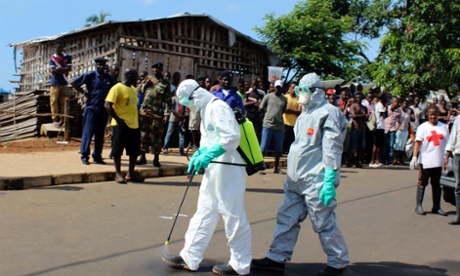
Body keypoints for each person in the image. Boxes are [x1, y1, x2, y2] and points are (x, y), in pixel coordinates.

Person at [251, 73, 349, 276]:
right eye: (298, 91)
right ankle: (277, 257)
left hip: (317, 179)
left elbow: (332, 148)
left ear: (315, 92)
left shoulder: (328, 113)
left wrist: (329, 179)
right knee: (286, 218)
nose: (300, 94)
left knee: (323, 221)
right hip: (296, 179)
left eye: (303, 91)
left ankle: (338, 262)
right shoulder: (304, 113)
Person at [162, 79, 252, 276]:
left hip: (228, 167)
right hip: (215, 167)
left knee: (232, 214)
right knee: (205, 209)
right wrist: (200, 154)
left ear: (195, 95)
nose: (187, 106)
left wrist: (209, 155)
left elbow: (231, 137)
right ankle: (190, 256)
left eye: (187, 102)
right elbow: (209, 140)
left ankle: (240, 263)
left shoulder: (218, 107)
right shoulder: (205, 110)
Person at [71, 57, 116, 165]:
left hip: (103, 110)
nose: (102, 66)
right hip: (91, 109)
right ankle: (84, 155)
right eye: (100, 65)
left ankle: (97, 156)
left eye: (104, 65)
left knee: (100, 134)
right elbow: (74, 83)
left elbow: (116, 85)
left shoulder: (108, 78)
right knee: (88, 132)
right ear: (96, 65)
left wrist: (110, 71)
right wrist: (84, 93)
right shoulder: (90, 75)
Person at [104, 68, 144, 184]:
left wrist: (138, 122)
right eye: (136, 76)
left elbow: (133, 107)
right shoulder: (117, 88)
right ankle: (118, 174)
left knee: (134, 151)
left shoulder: (133, 89)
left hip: (134, 125)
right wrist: (118, 119)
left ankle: (130, 174)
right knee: (117, 150)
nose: (138, 78)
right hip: (120, 125)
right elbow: (107, 105)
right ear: (129, 76)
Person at [410, 104, 448, 216]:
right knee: (422, 182)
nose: (433, 116)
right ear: (427, 115)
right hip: (426, 160)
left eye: (435, 114)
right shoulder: (423, 127)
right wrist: (415, 157)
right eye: (431, 114)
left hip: (438, 160)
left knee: (437, 184)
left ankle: (436, 206)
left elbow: (447, 143)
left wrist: (446, 157)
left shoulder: (443, 127)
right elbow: (418, 142)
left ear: (438, 115)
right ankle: (418, 206)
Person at [137, 61, 172, 167]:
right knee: (143, 135)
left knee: (156, 136)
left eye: (158, 69)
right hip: (144, 112)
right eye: (154, 69)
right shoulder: (148, 78)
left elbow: (168, 100)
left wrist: (166, 114)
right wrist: (145, 85)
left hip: (157, 113)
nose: (155, 70)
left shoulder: (165, 83)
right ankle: (142, 156)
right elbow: (139, 90)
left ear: (161, 70)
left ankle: (156, 158)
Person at [259, 80, 287, 174]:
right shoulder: (268, 96)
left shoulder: (284, 99)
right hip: (267, 125)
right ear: (274, 87)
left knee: (278, 149)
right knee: (263, 148)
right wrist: (265, 118)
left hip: (279, 127)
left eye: (279, 87)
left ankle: (276, 168)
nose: (278, 89)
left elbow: (283, 110)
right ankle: (261, 167)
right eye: (276, 87)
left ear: (282, 88)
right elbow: (261, 108)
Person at [48, 41, 72, 128]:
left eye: (61, 47)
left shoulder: (67, 57)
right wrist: (63, 69)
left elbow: (69, 69)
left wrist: (58, 69)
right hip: (54, 82)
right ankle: (55, 119)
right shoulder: (52, 58)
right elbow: (52, 71)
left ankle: (63, 119)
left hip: (64, 82)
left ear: (63, 48)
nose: (59, 49)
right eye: (58, 47)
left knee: (64, 101)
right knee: (53, 101)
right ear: (55, 48)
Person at [444, 112, 460, 225]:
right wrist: (447, 155)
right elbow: (452, 137)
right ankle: (459, 216)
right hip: (458, 156)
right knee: (458, 187)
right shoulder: (459, 119)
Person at [348, 92, 368, 168]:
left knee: (361, 146)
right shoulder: (353, 106)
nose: (358, 99)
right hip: (355, 128)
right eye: (357, 98)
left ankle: (357, 162)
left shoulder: (364, 107)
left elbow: (367, 118)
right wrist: (363, 115)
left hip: (362, 128)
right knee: (353, 146)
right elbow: (354, 116)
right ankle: (350, 161)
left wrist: (361, 116)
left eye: (360, 98)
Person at [369, 93, 388, 167]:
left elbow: (386, 116)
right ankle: (372, 161)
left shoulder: (381, 105)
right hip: (378, 127)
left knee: (380, 145)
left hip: (382, 127)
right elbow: (384, 115)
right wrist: (385, 108)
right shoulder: (379, 105)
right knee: (376, 145)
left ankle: (377, 161)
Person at [282, 82, 301, 153]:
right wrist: (294, 111)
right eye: (292, 87)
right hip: (285, 122)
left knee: (291, 141)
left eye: (295, 88)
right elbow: (285, 109)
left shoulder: (298, 99)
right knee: (284, 139)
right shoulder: (285, 97)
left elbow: (300, 112)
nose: (294, 89)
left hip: (294, 124)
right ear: (289, 88)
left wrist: (290, 109)